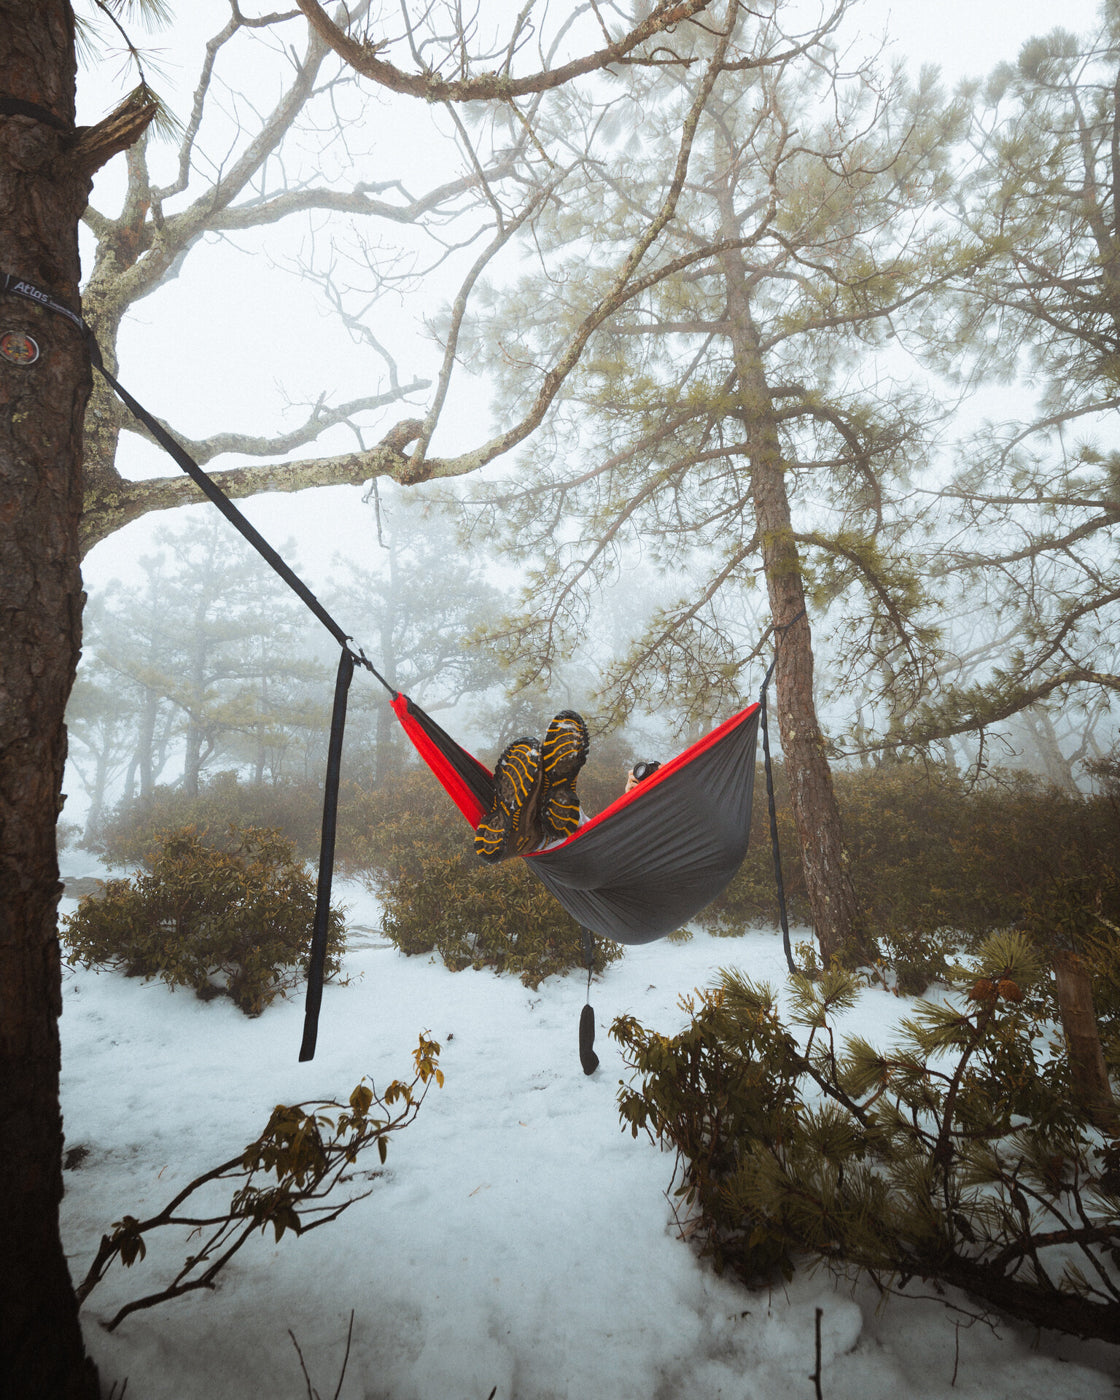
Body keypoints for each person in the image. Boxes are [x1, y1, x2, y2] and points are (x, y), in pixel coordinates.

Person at [474, 710, 589, 863]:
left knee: (573, 834)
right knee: (577, 830)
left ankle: (538, 803)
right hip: (583, 848)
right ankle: (545, 796)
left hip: (579, 852)